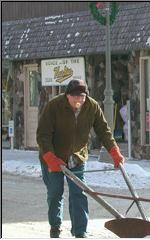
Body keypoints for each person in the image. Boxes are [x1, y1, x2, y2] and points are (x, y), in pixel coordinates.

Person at [36, 79, 125, 238]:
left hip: (76, 157)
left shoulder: (92, 106)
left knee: (79, 193)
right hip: (53, 156)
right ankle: (55, 226)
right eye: (76, 97)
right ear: (67, 96)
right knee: (55, 192)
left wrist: (114, 151)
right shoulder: (54, 106)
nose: (79, 100)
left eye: (82, 97)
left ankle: (80, 231)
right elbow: (43, 135)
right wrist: (50, 157)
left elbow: (103, 131)